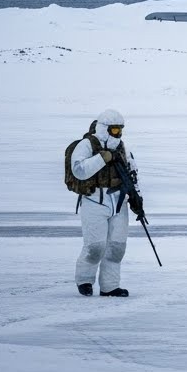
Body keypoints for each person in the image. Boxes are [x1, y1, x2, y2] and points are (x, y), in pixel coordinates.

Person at [66, 109, 143, 297]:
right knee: (95, 246)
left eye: (120, 130)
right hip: (94, 200)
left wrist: (137, 199)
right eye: (114, 130)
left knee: (116, 247)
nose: (118, 134)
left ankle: (110, 286)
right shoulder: (86, 145)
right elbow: (79, 170)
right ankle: (84, 280)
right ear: (104, 129)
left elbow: (132, 174)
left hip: (119, 202)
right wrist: (102, 158)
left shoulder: (123, 148)